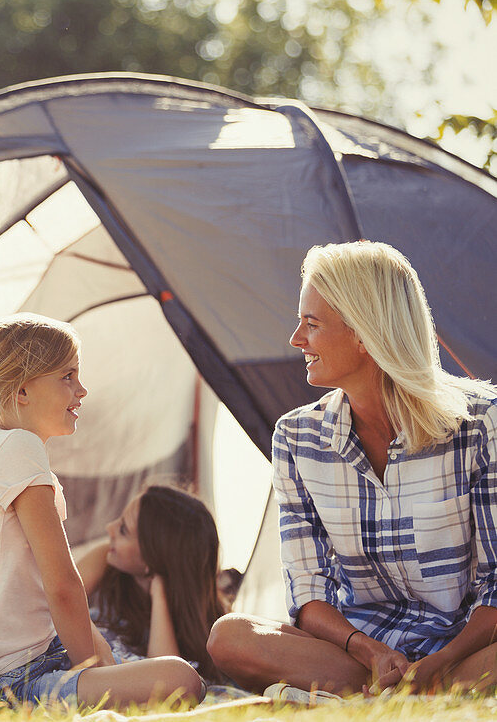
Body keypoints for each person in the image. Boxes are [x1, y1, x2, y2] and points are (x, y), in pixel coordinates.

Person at [207, 241, 497, 696]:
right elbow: (308, 592)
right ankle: (410, 689)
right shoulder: (297, 438)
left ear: (364, 334)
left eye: (312, 324)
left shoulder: (480, 423)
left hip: (465, 647)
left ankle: (426, 686)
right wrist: (371, 652)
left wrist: (443, 659)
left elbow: (495, 584)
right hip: (358, 654)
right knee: (231, 637)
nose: (296, 339)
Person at [0, 314, 205, 708]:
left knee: (131, 661)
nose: (82, 390)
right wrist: (94, 674)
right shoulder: (16, 448)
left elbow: (59, 598)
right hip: (3, 688)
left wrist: (105, 666)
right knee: (181, 678)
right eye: (67, 377)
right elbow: (61, 585)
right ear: (22, 389)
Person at [75, 485, 227, 683]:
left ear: (150, 558)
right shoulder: (105, 557)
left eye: (123, 530)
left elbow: (165, 678)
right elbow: (59, 604)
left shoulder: (201, 623)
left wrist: (159, 594)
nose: (109, 528)